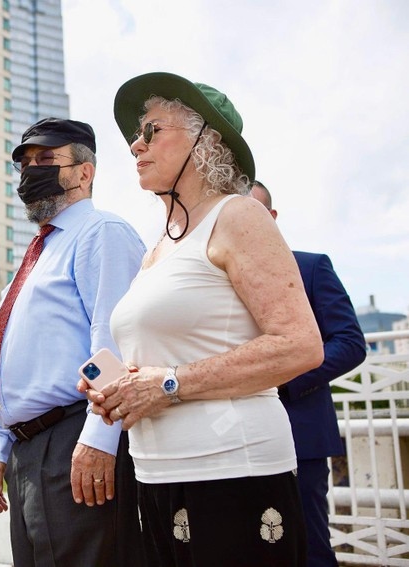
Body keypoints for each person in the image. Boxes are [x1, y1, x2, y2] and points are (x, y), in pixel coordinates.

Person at [82, 72, 325, 566]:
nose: (134, 145)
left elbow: (301, 344)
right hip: (156, 475)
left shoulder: (238, 216)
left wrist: (168, 384)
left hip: (232, 472)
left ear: (204, 138)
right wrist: (119, 388)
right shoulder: (159, 247)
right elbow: (162, 360)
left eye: (151, 130)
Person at [0, 117, 148, 567]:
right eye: (26, 164)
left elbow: (111, 344)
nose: (31, 171)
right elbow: (14, 363)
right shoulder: (36, 255)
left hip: (74, 436)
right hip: (28, 449)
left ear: (84, 172)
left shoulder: (101, 233)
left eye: (47, 160)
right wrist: (0, 445)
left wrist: (99, 436)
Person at [251, 180, 367, 567]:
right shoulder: (216, 279)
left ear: (272, 217)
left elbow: (350, 342)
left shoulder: (311, 266)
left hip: (300, 433)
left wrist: (284, 377)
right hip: (234, 438)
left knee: (309, 549)